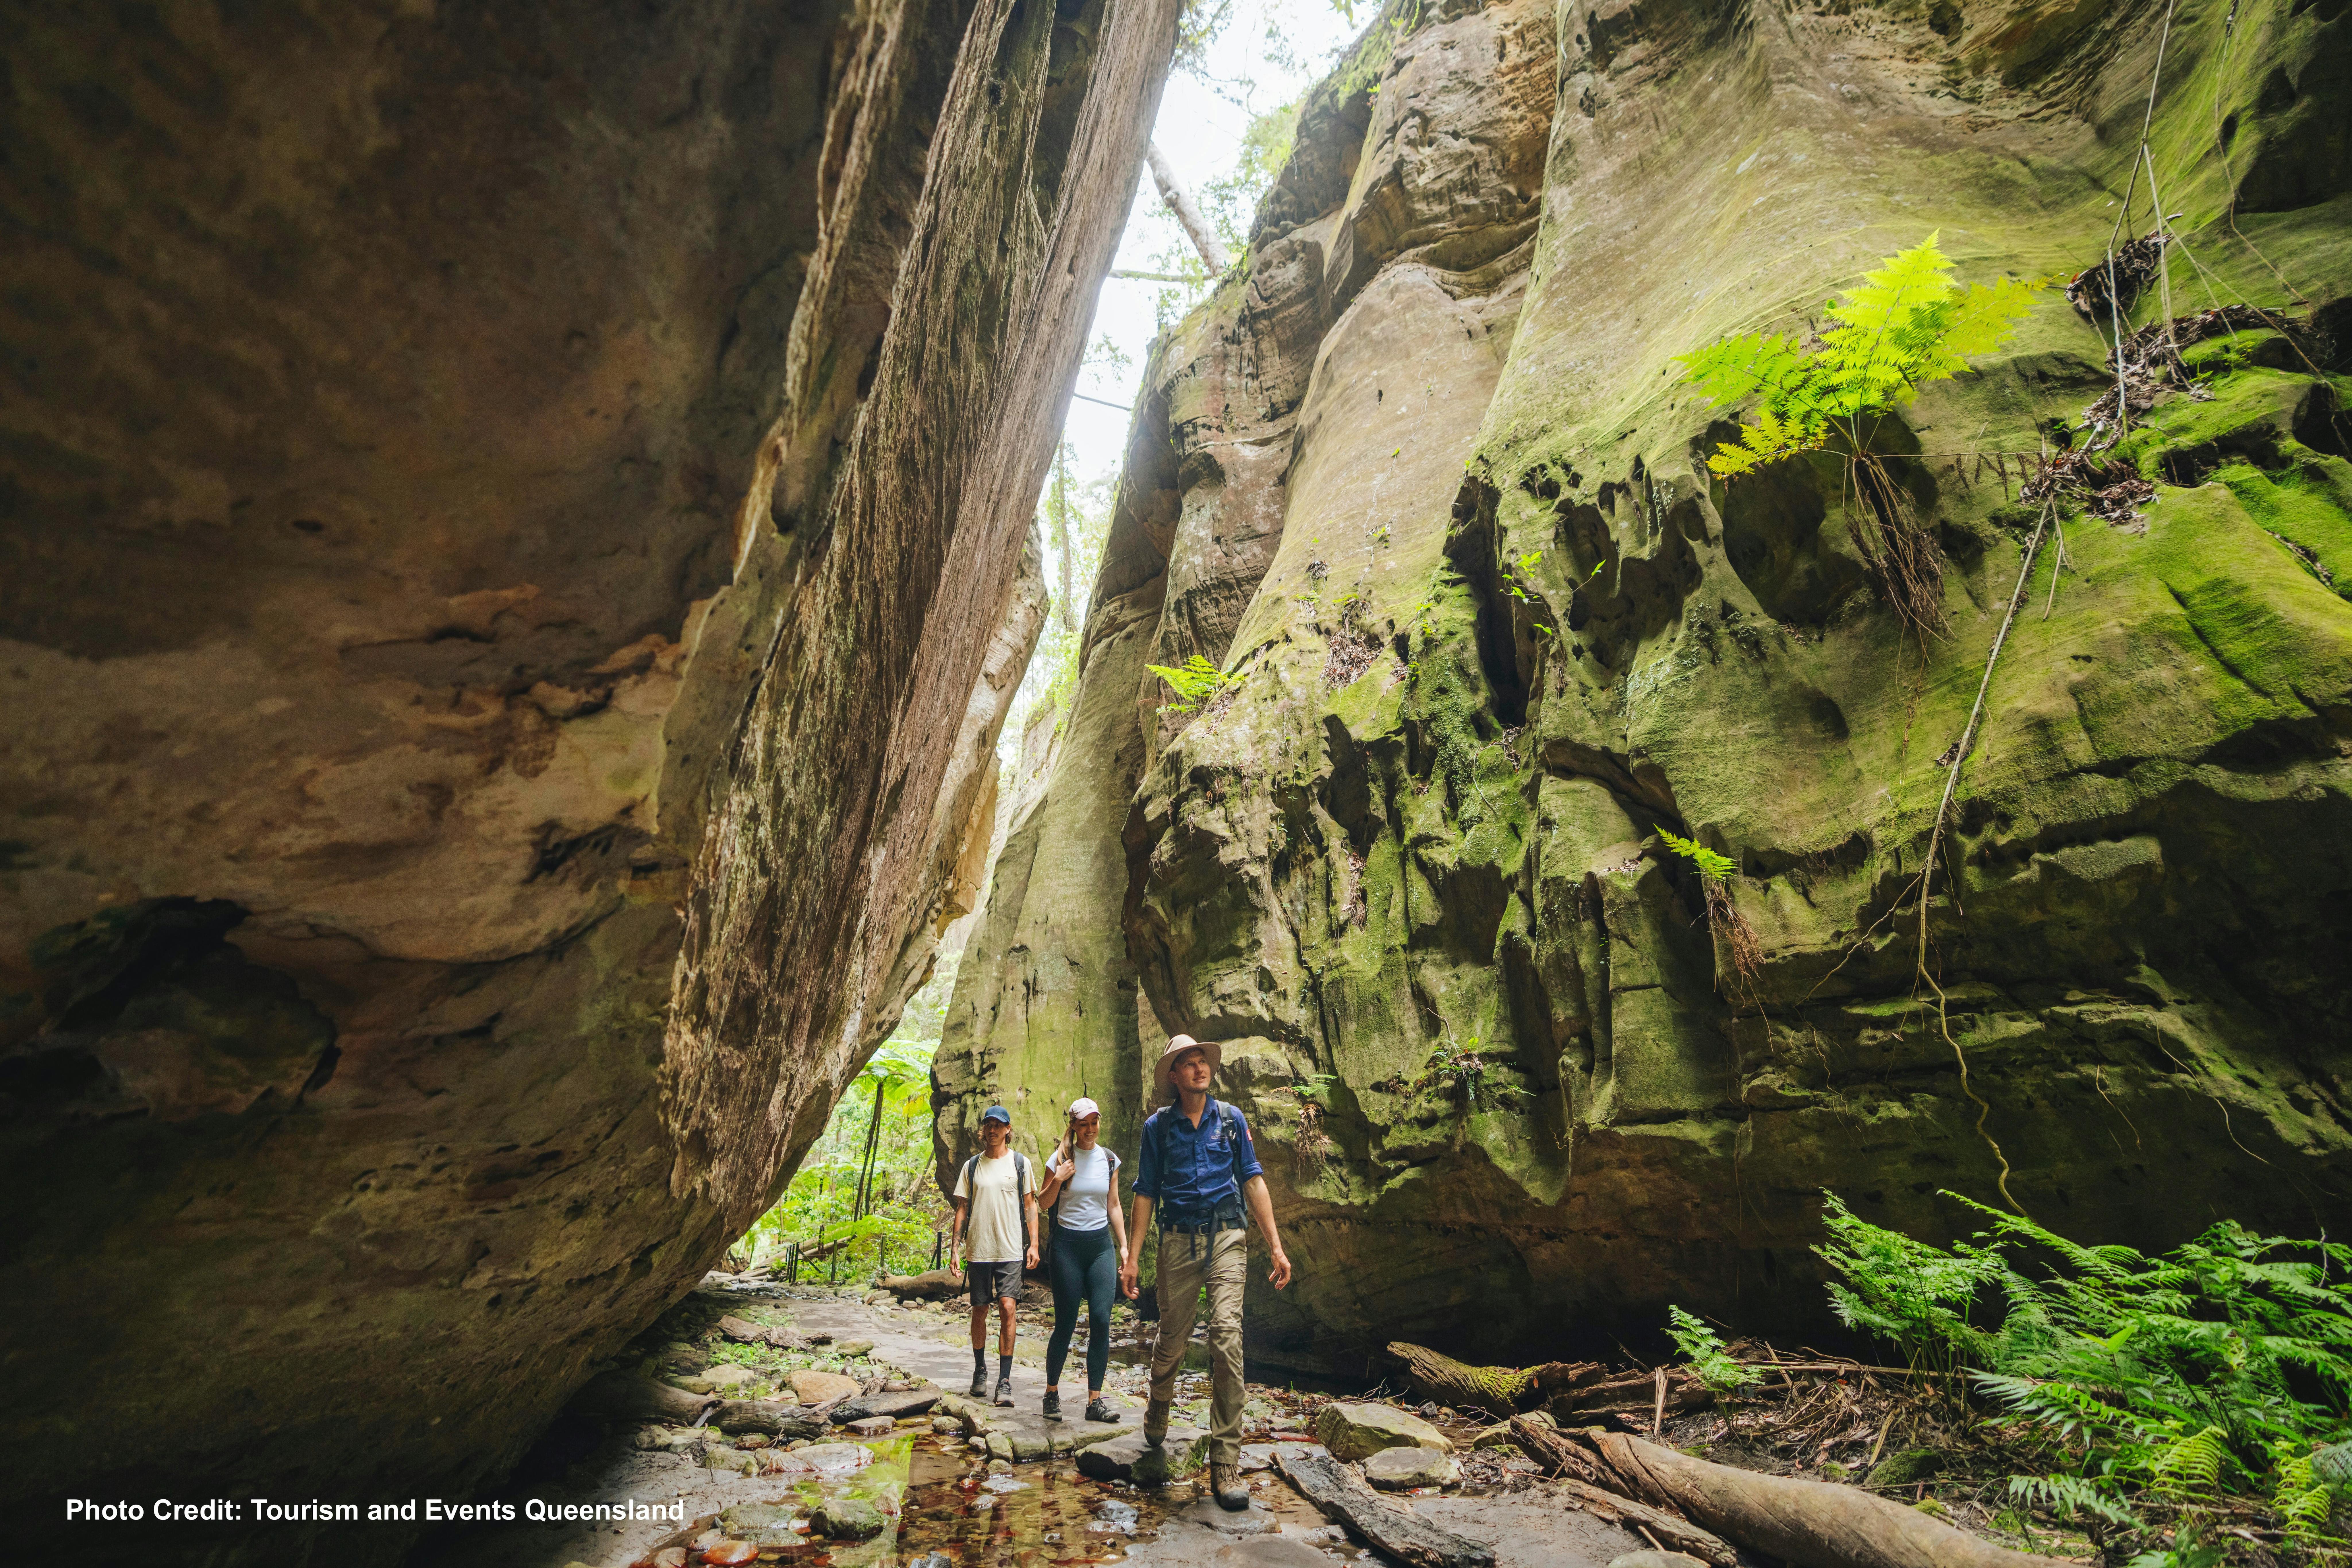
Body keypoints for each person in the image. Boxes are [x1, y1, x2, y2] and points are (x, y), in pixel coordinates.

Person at [1120, 1034, 1293, 1511]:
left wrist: (1276, 1246)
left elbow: (1253, 1180)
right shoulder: (1158, 1128)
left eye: (1203, 1061)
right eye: (1189, 1064)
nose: (1199, 1068)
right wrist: (1132, 1258)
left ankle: (1225, 1461)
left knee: (1226, 1336)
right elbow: (1145, 1193)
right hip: (1177, 1241)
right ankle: (1158, 1403)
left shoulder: (1231, 1120)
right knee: (1171, 1340)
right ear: (1174, 1077)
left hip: (1227, 1239)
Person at [1035, 1096, 1134, 1424]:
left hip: (1099, 1247)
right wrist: (1060, 1177)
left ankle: (1095, 1401)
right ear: (1074, 1127)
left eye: (1094, 1122)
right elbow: (1043, 1202)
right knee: (1065, 1322)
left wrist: (1123, 1247)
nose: (1090, 1129)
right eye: (1083, 1124)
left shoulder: (1109, 1160)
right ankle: (1051, 1394)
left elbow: (1115, 1205)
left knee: (1102, 1320)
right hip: (1066, 1247)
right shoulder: (1060, 1158)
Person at [948, 1104, 1040, 1407]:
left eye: (998, 1126)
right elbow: (962, 1208)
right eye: (988, 1125)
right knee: (979, 1310)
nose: (992, 1130)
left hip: (1010, 1248)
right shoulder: (972, 1166)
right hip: (979, 1250)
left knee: (1008, 1307)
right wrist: (955, 1248)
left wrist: (1034, 1244)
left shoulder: (1020, 1164)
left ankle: (1005, 1380)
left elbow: (1030, 1206)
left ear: (1008, 1130)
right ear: (982, 1130)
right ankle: (979, 1370)